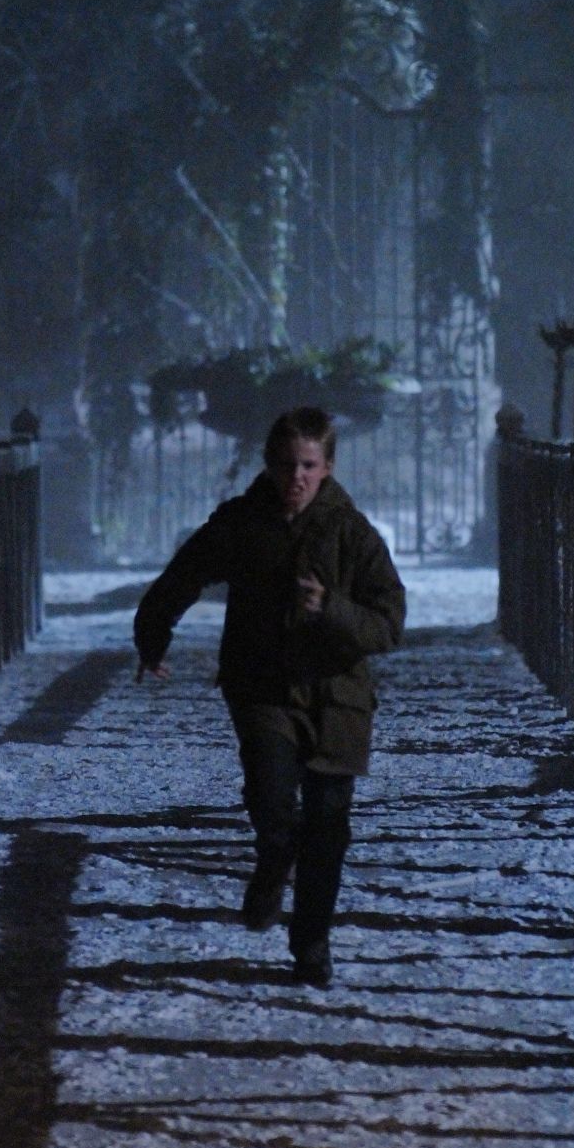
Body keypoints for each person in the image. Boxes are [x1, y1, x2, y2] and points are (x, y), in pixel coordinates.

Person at [134, 407, 406, 986]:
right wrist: (152, 638)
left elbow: (388, 624)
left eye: (308, 466)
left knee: (328, 827)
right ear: (268, 464)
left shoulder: (354, 535)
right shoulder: (240, 524)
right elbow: (183, 576)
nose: (295, 478)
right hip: (262, 688)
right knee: (272, 798)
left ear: (327, 467)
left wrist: (330, 608)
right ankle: (273, 860)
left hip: (338, 699)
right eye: (285, 465)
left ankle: (311, 945)